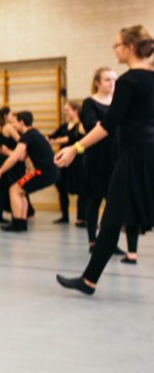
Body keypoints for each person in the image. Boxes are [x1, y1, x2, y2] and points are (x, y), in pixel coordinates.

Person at [56, 25, 154, 294]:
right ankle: (89, 279)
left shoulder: (129, 81)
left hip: (134, 155)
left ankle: (89, 281)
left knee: (111, 218)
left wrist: (75, 147)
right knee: (120, 215)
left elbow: (108, 125)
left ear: (131, 47)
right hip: (149, 152)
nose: (116, 50)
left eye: (118, 45)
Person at [0, 111, 59, 232]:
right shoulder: (33, 134)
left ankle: (18, 224)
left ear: (21, 122)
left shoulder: (28, 135)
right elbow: (22, 157)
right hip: (48, 172)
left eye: (15, 122)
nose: (13, 125)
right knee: (19, 191)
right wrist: (7, 151)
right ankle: (21, 223)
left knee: (14, 189)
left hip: (44, 172)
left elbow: (14, 158)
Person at [80, 67, 122, 253]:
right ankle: (92, 241)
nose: (112, 82)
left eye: (114, 79)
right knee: (95, 199)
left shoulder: (119, 102)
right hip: (96, 158)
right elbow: (91, 124)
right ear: (97, 82)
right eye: (107, 79)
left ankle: (110, 242)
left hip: (116, 157)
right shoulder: (89, 103)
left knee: (113, 203)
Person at [47, 101, 86, 225]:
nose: (65, 112)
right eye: (64, 110)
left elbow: (70, 139)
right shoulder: (64, 126)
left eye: (67, 109)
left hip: (78, 161)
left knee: (82, 189)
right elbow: (52, 136)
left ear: (75, 110)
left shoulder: (81, 125)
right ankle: (65, 216)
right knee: (61, 188)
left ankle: (81, 218)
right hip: (64, 162)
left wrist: (55, 140)